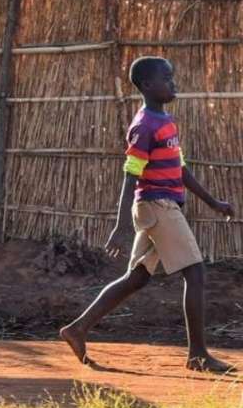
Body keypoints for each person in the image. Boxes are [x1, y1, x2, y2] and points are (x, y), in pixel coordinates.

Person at [60, 56, 235, 373]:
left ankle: (77, 328)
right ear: (146, 85)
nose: (173, 83)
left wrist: (213, 202)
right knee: (195, 273)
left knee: (136, 278)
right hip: (157, 206)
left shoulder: (165, 121)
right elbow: (131, 175)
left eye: (173, 77)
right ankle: (197, 355)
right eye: (166, 78)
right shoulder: (144, 126)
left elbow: (180, 169)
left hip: (161, 206)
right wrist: (121, 226)